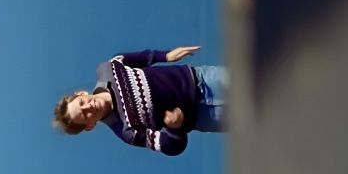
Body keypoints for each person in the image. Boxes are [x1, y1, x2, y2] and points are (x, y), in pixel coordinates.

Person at [53, 46, 228, 157]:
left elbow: (142, 57)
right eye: (85, 115)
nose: (88, 107)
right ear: (89, 126)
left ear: (81, 93)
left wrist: (166, 55)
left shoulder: (108, 69)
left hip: (200, 79)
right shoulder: (126, 132)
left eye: (82, 103)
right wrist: (175, 128)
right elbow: (170, 147)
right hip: (204, 117)